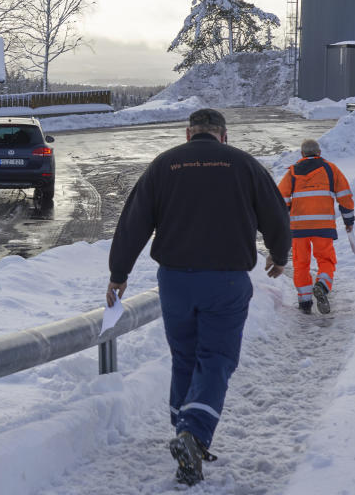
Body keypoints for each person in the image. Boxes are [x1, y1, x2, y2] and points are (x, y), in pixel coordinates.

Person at [106, 108, 290, 486]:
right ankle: (194, 432)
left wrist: (119, 273)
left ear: (189, 134)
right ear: (223, 136)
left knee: (185, 356)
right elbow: (276, 214)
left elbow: (134, 220)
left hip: (174, 282)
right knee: (217, 357)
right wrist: (279, 254)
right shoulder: (244, 164)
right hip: (225, 280)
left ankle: (183, 431)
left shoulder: (165, 165)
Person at [277, 138, 355, 315]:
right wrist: (348, 221)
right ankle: (322, 285)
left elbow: (280, 199)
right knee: (326, 259)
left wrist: (284, 219)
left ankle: (305, 302)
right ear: (319, 153)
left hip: (299, 228)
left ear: (302, 154)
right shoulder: (330, 169)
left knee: (301, 263)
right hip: (323, 226)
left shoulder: (292, 172)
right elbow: (345, 195)